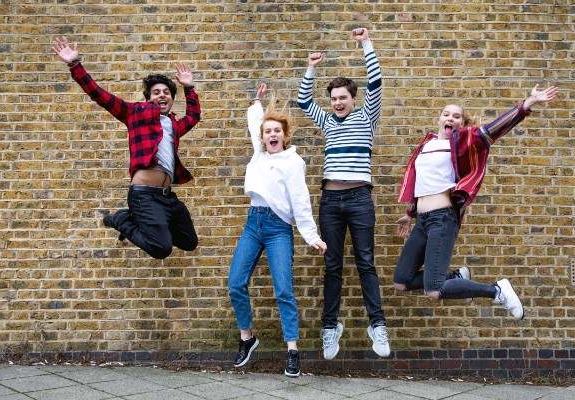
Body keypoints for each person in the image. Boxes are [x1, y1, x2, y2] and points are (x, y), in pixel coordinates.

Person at [394, 84, 559, 319]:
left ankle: (497, 290)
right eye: (446, 113)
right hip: (422, 221)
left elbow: (494, 129)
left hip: (442, 218)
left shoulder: (463, 141)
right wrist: (410, 214)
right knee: (402, 281)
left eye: (457, 116)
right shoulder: (426, 144)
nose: (450, 118)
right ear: (439, 118)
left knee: (435, 289)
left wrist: (527, 104)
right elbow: (420, 182)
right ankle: (458, 278)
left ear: (462, 123)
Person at [51, 37, 201, 259]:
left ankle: (145, 223)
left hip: (167, 197)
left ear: (171, 99)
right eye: (156, 92)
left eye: (166, 92)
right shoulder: (135, 113)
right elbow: (99, 95)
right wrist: (75, 65)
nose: (162, 95)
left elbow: (194, 116)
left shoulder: (174, 126)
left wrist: (189, 87)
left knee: (189, 242)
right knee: (161, 249)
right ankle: (122, 219)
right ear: (149, 98)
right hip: (144, 196)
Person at [297, 28, 390, 361]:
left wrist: (366, 43)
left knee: (366, 263)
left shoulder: (367, 116)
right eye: (334, 98)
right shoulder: (327, 121)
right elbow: (303, 101)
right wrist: (311, 67)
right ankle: (329, 328)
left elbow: (377, 82)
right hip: (331, 202)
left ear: (353, 98)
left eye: (343, 97)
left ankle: (377, 324)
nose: (337, 102)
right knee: (332, 266)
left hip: (360, 200)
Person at [228, 84, 327, 378]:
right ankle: (247, 338)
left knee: (284, 289)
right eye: (267, 131)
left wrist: (311, 236)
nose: (272, 135)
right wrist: (256, 102)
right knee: (235, 283)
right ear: (262, 137)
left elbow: (300, 200)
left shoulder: (293, 162)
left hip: (277, 229)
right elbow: (253, 123)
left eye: (277, 131)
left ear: (285, 136)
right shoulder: (258, 155)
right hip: (252, 224)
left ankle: (293, 351)